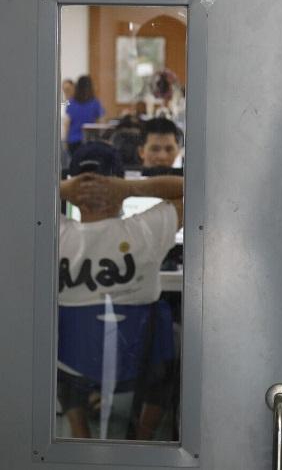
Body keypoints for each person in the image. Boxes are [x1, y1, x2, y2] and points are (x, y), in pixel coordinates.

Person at [57, 141, 183, 440]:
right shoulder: (146, 231)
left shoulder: (54, 234)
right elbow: (201, 191)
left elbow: (9, 195)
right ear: (119, 182)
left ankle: (79, 433)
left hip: (72, 365)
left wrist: (63, 189)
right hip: (137, 365)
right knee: (172, 329)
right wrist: (130, 189)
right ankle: (143, 437)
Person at [66, 75, 104, 155]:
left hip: (73, 141)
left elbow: (67, 124)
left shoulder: (71, 103)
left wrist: (66, 141)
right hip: (90, 141)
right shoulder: (95, 103)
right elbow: (100, 123)